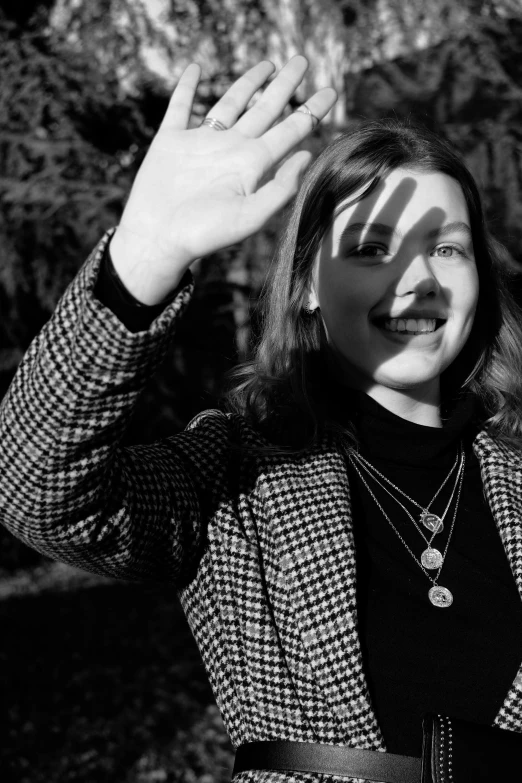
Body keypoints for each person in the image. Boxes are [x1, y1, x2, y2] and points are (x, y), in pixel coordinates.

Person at [1, 55, 522, 782]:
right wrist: (143, 258)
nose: (418, 279)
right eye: (372, 248)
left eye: (446, 247)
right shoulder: (236, 472)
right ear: (307, 282)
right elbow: (34, 488)